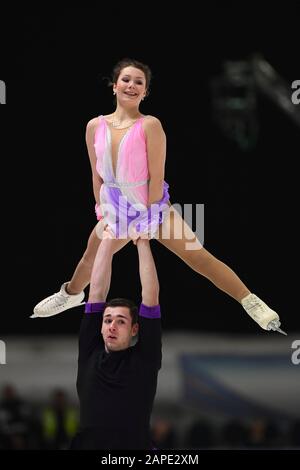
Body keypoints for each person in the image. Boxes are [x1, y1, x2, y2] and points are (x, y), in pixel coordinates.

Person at [32, 58, 286, 335]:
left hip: (150, 205)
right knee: (88, 259)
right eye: (126, 80)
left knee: (198, 256)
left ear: (145, 92)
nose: (132, 85)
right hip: (115, 207)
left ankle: (250, 300)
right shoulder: (94, 126)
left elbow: (156, 174)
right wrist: (103, 211)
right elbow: (97, 175)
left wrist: (149, 217)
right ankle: (70, 295)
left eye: (139, 82)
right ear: (114, 86)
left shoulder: (150, 125)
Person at [70, 233, 162, 450]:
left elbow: (151, 296)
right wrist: (109, 234)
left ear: (134, 329)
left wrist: (142, 240)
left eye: (120, 322)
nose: (111, 326)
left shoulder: (145, 358)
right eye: (108, 320)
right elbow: (97, 290)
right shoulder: (89, 352)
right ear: (100, 326)